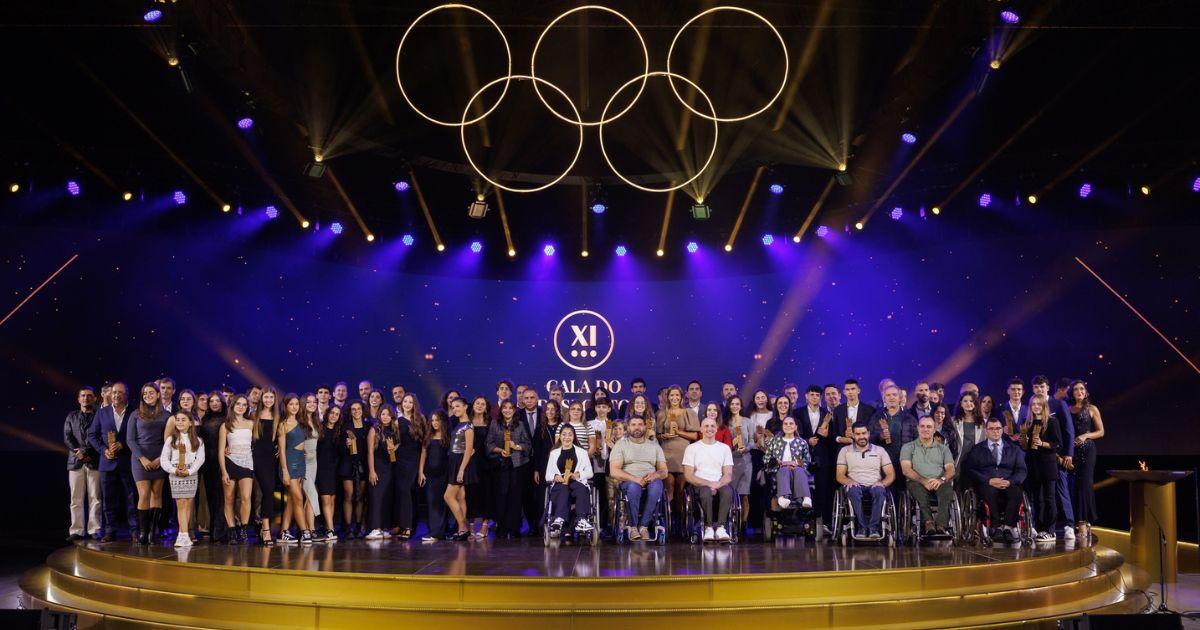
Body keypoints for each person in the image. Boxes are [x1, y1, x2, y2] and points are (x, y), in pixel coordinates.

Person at [965, 418, 1027, 543]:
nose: (995, 431)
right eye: (991, 429)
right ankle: (996, 527)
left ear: (1002, 430)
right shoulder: (977, 449)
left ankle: (1008, 528)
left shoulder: (1014, 449)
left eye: (998, 428)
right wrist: (988, 480)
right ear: (986, 431)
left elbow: (1022, 470)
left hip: (1008, 482)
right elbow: (970, 470)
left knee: (1016, 493)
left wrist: (1010, 482)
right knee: (990, 492)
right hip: (987, 483)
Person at [608, 416, 668, 541]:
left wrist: (655, 475)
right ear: (628, 428)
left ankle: (644, 526)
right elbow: (614, 471)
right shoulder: (620, 445)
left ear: (645, 427)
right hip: (629, 481)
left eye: (640, 424)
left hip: (650, 480)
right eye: (633, 424)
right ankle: (633, 527)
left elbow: (664, 471)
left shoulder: (654, 446)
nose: (637, 427)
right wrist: (634, 478)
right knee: (633, 487)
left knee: (657, 486)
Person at [1030, 375, 1075, 540]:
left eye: (1042, 387)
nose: (1039, 390)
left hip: (1058, 456)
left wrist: (1068, 453)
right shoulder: (1032, 408)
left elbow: (1068, 431)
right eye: (1036, 387)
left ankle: (1069, 525)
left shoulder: (1059, 404)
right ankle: (1039, 527)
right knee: (1041, 495)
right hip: (1038, 459)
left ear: (1048, 388)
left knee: (1060, 492)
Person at [836, 423, 896, 539]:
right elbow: (839, 475)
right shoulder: (845, 451)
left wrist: (882, 483)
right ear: (853, 435)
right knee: (853, 491)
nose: (861, 436)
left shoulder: (880, 450)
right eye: (857, 434)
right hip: (855, 485)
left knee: (879, 491)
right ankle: (861, 527)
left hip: (875, 484)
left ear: (868, 434)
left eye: (864, 433)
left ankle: (874, 527)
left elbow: (890, 474)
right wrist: (849, 482)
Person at [900, 417, 956, 536]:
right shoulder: (908, 447)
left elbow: (951, 469)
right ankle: (928, 523)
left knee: (947, 491)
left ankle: (941, 525)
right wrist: (923, 480)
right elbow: (906, 470)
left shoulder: (943, 449)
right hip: (916, 481)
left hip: (939, 481)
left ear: (934, 429)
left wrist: (941, 480)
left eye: (929, 427)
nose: (925, 429)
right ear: (918, 428)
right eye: (922, 426)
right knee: (920, 493)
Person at [128, 382, 169, 544]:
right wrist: (142, 458)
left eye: (151, 393)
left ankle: (153, 532)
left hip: (160, 457)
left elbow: (170, 440)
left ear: (158, 394)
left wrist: (161, 458)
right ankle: (143, 532)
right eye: (145, 394)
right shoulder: (136, 414)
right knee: (144, 494)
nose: (148, 396)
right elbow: (130, 440)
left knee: (156, 494)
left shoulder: (166, 416)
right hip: (140, 459)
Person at [682, 417, 735, 542]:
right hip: (699, 483)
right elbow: (688, 475)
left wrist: (718, 484)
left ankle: (721, 527)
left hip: (718, 483)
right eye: (706, 426)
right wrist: (709, 484)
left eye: (712, 426)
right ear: (701, 429)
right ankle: (708, 527)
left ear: (716, 429)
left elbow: (728, 474)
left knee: (728, 491)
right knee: (705, 492)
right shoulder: (692, 448)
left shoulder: (724, 448)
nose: (709, 429)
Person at [486, 400, 533, 538]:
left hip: (517, 465)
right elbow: (488, 444)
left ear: (514, 410)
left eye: (510, 408)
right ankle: (501, 527)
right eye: (504, 408)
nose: (507, 410)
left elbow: (528, 445)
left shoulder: (521, 425)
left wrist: (516, 446)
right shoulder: (495, 424)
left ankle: (514, 528)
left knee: (515, 497)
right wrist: (501, 450)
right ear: (501, 410)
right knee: (501, 497)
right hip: (500, 465)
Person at [1020, 395, 1061, 542]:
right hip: (1033, 465)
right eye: (1033, 404)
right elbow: (1027, 448)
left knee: (1049, 498)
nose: (1036, 407)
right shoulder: (1028, 424)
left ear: (1044, 406)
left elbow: (1057, 444)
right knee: (1037, 499)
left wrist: (1043, 443)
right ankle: (1039, 528)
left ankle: (1051, 530)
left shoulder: (1051, 421)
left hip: (1048, 465)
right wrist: (1023, 442)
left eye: (1039, 404)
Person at [656, 385, 700, 521]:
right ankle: (669, 519)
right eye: (671, 395)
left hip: (683, 454)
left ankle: (680, 520)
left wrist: (678, 432)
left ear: (681, 397)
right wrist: (663, 436)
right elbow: (657, 435)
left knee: (680, 489)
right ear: (667, 397)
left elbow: (695, 436)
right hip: (666, 453)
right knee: (669, 486)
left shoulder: (689, 413)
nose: (674, 398)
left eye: (677, 395)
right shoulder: (662, 414)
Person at [162, 411, 205, 547]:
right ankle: (184, 535)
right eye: (178, 420)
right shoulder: (171, 439)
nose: (180, 422)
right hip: (176, 473)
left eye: (183, 420)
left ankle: (182, 534)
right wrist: (174, 470)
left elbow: (200, 459)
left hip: (191, 473)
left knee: (188, 504)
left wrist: (190, 470)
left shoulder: (197, 440)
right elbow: (164, 458)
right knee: (180, 504)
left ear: (190, 422)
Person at [545, 424, 595, 537]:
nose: (567, 437)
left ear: (574, 437)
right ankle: (559, 519)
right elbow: (547, 475)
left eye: (570, 435)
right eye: (564, 434)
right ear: (560, 437)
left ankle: (581, 520)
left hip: (576, 480)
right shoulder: (554, 453)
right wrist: (555, 476)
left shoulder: (582, 452)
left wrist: (578, 474)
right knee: (564, 489)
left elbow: (590, 473)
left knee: (581, 489)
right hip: (561, 482)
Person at [1067, 380, 1104, 534]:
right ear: (1072, 392)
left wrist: (1085, 435)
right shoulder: (1067, 409)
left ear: (1086, 392)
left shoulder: (1092, 408)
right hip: (1071, 452)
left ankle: (1084, 520)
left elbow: (1101, 432)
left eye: (1082, 389)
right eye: (1076, 389)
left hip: (1087, 451)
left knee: (1085, 485)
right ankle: (1073, 519)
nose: (1079, 391)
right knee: (1073, 485)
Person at [218, 395, 256, 544]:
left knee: (246, 497)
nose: (241, 407)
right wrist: (224, 472)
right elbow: (221, 450)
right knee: (229, 499)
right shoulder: (225, 425)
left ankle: (244, 530)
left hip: (247, 463)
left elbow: (256, 444)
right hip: (230, 463)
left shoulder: (251, 423)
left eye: (244, 404)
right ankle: (232, 530)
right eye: (238, 404)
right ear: (232, 406)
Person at [65, 387, 101, 541]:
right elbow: (67, 436)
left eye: (89, 396)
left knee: (95, 497)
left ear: (94, 398)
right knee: (76, 498)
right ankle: (77, 530)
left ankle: (94, 529)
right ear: (78, 399)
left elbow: (101, 437)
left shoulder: (100, 416)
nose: (86, 398)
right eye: (83, 396)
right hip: (75, 461)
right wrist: (78, 452)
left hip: (94, 461)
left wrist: (87, 453)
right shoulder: (71, 416)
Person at [277, 395, 313, 544]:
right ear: (285, 406)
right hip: (289, 463)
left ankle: (283, 532)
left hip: (300, 461)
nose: (294, 407)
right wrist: (284, 470)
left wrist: (303, 451)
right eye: (291, 404)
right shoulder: (283, 424)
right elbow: (282, 450)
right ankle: (305, 532)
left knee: (293, 499)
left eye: (296, 404)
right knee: (298, 498)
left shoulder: (301, 422)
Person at [762, 417, 813, 510]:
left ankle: (806, 498)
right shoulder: (775, 441)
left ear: (795, 427)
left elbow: (807, 459)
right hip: (780, 469)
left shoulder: (802, 442)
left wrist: (797, 463)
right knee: (784, 470)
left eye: (791, 423)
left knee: (800, 471)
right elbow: (766, 458)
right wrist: (776, 462)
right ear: (782, 426)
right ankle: (782, 497)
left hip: (797, 468)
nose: (788, 426)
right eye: (785, 424)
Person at [392, 393, 425, 539]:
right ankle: (402, 524)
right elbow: (397, 442)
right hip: (400, 460)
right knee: (402, 492)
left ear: (414, 404)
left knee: (406, 491)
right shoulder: (398, 421)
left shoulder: (421, 419)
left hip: (414, 460)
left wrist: (421, 468)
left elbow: (424, 445)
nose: (407, 404)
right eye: (405, 401)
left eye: (410, 402)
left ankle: (408, 526)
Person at [365, 405, 399, 540]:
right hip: (377, 467)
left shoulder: (393, 431)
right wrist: (372, 471)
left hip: (389, 468)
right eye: (383, 414)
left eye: (388, 414)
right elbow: (370, 452)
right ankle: (375, 527)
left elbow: (392, 454)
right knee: (376, 497)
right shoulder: (374, 430)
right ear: (379, 415)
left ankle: (384, 528)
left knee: (386, 498)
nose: (385, 417)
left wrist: (395, 449)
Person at [444, 398, 476, 541]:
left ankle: (463, 527)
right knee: (460, 496)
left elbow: (469, 449)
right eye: (453, 407)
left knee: (448, 496)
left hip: (461, 463)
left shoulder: (468, 426)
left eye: (458, 406)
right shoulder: (459, 423)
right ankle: (462, 530)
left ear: (465, 407)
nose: (455, 409)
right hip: (454, 461)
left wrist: (462, 470)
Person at [199, 392, 228, 542]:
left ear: (223, 402)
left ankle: (220, 531)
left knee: (221, 496)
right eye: (212, 401)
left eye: (218, 401)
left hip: (221, 461)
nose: (215, 403)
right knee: (211, 496)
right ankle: (213, 529)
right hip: (206, 461)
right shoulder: (205, 419)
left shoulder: (227, 419)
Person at [338, 401, 370, 539]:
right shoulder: (345, 427)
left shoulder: (368, 427)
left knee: (360, 497)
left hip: (363, 465)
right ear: (350, 412)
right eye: (353, 409)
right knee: (348, 495)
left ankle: (358, 525)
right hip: (347, 464)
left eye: (358, 409)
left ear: (362, 410)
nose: (356, 411)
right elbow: (338, 449)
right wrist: (345, 445)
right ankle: (348, 526)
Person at [868, 385, 916, 473]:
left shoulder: (910, 418)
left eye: (894, 395)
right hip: (881, 464)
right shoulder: (876, 417)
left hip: (903, 464)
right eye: (888, 395)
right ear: (884, 399)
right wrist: (879, 436)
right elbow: (868, 439)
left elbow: (917, 441)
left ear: (900, 398)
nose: (891, 397)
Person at [419, 410, 451, 542]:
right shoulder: (428, 436)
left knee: (442, 503)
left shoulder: (448, 437)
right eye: (432, 420)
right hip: (429, 474)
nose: (434, 423)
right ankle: (433, 531)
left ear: (442, 421)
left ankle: (439, 532)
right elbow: (423, 454)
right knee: (431, 502)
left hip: (444, 474)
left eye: (437, 420)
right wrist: (420, 472)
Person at [466, 396, 494, 539]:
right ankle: (470, 526)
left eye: (483, 404)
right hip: (469, 463)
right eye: (477, 403)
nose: (480, 406)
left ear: (486, 407)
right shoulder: (466, 421)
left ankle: (484, 526)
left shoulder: (491, 422)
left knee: (486, 495)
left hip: (486, 463)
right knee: (470, 494)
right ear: (473, 405)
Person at [944, 392, 985, 490]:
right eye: (965, 401)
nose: (968, 403)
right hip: (958, 459)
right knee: (957, 486)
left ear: (975, 404)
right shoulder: (953, 421)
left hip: (975, 460)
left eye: (971, 401)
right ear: (960, 404)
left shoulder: (982, 423)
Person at [724, 395, 754, 525]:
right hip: (730, 461)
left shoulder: (747, 421)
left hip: (745, 461)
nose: (735, 406)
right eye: (732, 404)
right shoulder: (725, 423)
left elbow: (753, 441)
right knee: (730, 494)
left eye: (737, 404)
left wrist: (746, 449)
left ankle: (743, 524)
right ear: (729, 406)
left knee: (744, 495)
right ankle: (730, 522)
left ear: (741, 406)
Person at [315, 404, 342, 542]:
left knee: (332, 500)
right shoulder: (320, 429)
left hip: (334, 470)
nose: (334, 416)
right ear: (327, 413)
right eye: (332, 413)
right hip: (321, 468)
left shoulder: (339, 432)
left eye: (337, 414)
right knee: (325, 500)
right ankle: (331, 530)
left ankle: (328, 528)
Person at [588, 399, 614, 529]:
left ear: (609, 409)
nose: (601, 409)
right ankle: (598, 523)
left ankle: (608, 523)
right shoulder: (589, 424)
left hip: (610, 463)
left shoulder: (613, 425)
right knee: (598, 493)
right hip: (595, 463)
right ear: (595, 408)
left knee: (609, 494)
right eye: (599, 407)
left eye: (604, 407)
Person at [298, 394, 322, 539]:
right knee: (313, 494)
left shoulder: (315, 420)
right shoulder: (299, 421)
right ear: (303, 404)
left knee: (309, 497)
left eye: (314, 401)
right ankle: (310, 529)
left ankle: (309, 530)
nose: (312, 404)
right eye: (309, 402)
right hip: (302, 462)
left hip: (314, 462)